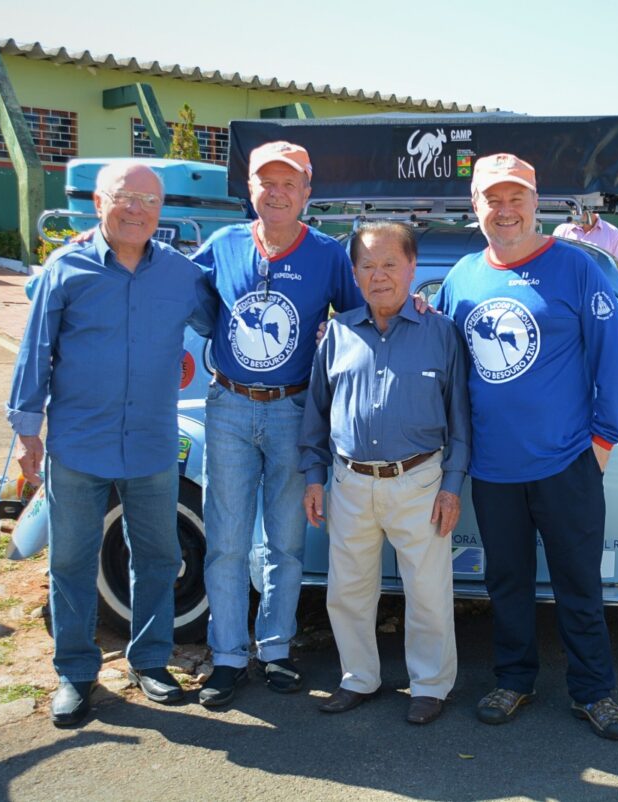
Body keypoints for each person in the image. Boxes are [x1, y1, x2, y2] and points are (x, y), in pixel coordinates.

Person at [436, 153, 618, 740]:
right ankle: (514, 679)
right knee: (507, 582)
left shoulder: (576, 269)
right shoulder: (463, 278)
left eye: (515, 198)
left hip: (568, 462)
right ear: (476, 208)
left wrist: (602, 442)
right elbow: (442, 360)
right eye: (491, 199)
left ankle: (593, 692)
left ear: (535, 202)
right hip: (494, 468)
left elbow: (613, 359)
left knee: (579, 584)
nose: (504, 210)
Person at [6, 162, 213, 726]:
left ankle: (150, 662)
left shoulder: (180, 274)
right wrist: (28, 433)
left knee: (159, 556)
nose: (137, 210)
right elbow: (35, 350)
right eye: (125, 198)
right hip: (78, 443)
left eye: (149, 201)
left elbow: (226, 320)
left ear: (161, 210)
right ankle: (75, 674)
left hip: (151, 443)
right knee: (71, 562)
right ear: (100, 201)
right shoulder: (65, 267)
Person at [192, 141, 364, 707]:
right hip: (230, 406)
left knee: (285, 543)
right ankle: (226, 656)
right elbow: (183, 297)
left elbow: (359, 315)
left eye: (289, 183)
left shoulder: (327, 254)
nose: (278, 192)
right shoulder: (223, 246)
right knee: (226, 539)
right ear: (250, 190)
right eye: (267, 182)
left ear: (307, 192)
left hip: (294, 409)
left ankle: (275, 649)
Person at [299, 222, 470, 725]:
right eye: (368, 266)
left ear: (412, 269)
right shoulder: (337, 334)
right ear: (354, 273)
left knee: (428, 593)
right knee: (348, 589)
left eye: (390, 264)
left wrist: (452, 486)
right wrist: (315, 475)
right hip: (350, 483)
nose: (379, 276)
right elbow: (316, 412)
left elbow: (460, 418)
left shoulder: (441, 333)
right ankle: (358, 678)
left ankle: (430, 687)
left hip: (420, 481)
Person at [552, 210, 618, 274]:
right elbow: (554, 265)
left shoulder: (613, 233)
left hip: (599, 289)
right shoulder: (561, 230)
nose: (580, 211)